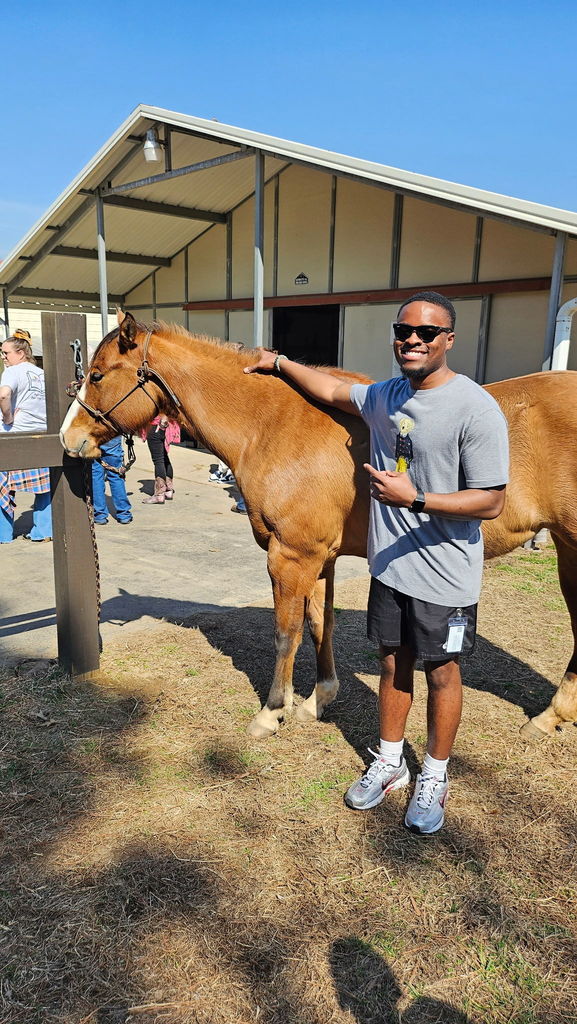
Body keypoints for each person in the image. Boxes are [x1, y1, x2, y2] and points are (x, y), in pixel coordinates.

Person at [245, 291, 509, 835]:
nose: (413, 340)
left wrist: (415, 500)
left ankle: (433, 773)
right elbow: (333, 389)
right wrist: (278, 363)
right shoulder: (386, 396)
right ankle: (389, 761)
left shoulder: (474, 406)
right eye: (404, 330)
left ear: (448, 340)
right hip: (390, 568)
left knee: (443, 673)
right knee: (392, 665)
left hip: (445, 573)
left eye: (427, 333)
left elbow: (491, 501)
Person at [0, 329, 52, 543]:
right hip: (40, 435)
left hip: (13, 437)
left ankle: (4, 534)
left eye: (6, 353)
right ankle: (44, 531)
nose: (3, 357)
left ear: (20, 353)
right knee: (44, 488)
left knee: (4, 488)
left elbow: (3, 394)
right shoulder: (42, 373)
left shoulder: (13, 371)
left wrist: (8, 417)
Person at [91, 435, 133, 525]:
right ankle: (124, 515)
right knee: (116, 477)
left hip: (94, 437)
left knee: (96, 478)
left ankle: (99, 515)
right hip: (111, 438)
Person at [141, 415, 180, 504]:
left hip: (155, 427)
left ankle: (159, 495)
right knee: (164, 458)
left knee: (158, 460)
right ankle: (168, 490)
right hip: (163, 427)